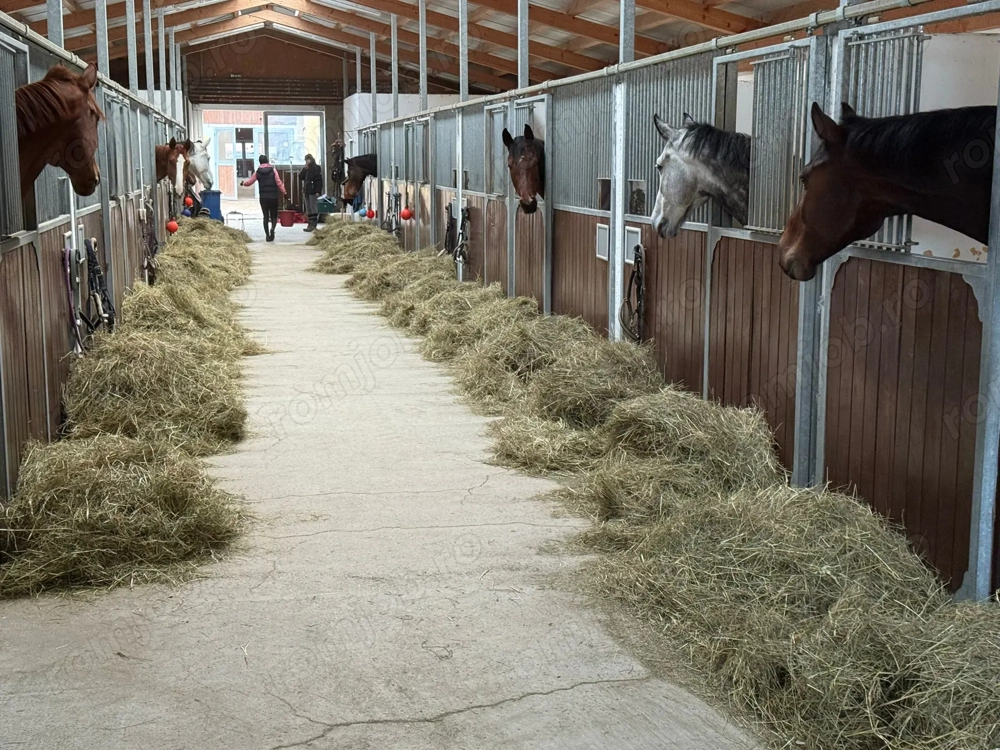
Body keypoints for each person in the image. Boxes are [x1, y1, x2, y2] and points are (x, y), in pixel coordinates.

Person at [242, 154, 286, 242]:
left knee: (265, 216)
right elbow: (279, 182)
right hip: (273, 196)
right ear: (267, 161)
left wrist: (243, 183)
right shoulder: (273, 170)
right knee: (274, 216)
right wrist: (284, 192)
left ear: (260, 162)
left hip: (263, 197)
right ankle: (272, 228)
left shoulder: (258, 172)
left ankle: (267, 235)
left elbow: (250, 182)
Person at [300, 153, 323, 232]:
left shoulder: (316, 168)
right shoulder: (307, 169)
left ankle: (314, 224)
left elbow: (319, 180)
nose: (307, 161)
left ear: (311, 159)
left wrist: (318, 191)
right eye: (306, 160)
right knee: (308, 207)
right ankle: (310, 223)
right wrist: (304, 169)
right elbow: (301, 177)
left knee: (313, 206)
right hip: (306, 190)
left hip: (313, 190)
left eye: (308, 159)